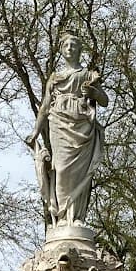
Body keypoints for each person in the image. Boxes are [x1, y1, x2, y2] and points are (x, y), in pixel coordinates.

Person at [26, 29, 108, 228]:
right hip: (59, 123)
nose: (70, 48)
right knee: (60, 170)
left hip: (83, 126)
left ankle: (77, 217)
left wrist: (94, 93)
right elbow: (45, 107)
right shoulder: (55, 78)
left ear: (80, 49)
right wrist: (35, 132)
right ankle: (63, 218)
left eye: (74, 45)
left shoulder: (88, 75)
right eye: (66, 45)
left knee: (81, 174)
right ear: (62, 50)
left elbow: (104, 100)